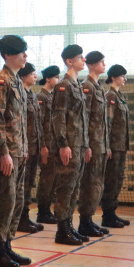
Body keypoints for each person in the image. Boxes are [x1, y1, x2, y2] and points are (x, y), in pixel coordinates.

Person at [0, 34, 31, 267]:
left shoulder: (17, 81)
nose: (25, 56)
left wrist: (23, 149)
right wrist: (4, 152)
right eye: (20, 52)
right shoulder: (1, 81)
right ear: (7, 55)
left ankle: (7, 245)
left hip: (19, 151)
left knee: (16, 201)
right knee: (5, 202)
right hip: (7, 153)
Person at [51, 45, 90, 245]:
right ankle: (62, 230)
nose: (84, 60)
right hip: (69, 146)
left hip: (79, 145)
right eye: (80, 58)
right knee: (65, 189)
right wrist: (63, 144)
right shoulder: (63, 85)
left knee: (74, 188)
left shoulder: (77, 85)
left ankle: (69, 227)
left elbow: (81, 119)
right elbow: (58, 117)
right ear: (69, 61)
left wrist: (86, 145)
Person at [77, 51, 111, 237]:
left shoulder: (98, 87)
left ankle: (89, 220)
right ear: (91, 65)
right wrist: (87, 144)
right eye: (101, 62)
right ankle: (84, 222)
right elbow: (85, 118)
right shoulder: (86, 87)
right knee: (89, 184)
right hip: (92, 145)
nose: (104, 64)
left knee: (97, 184)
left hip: (101, 144)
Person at [101, 64, 131, 228]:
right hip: (113, 146)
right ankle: (108, 215)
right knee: (111, 180)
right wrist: (108, 146)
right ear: (114, 77)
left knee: (118, 180)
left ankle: (112, 212)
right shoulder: (110, 96)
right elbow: (107, 123)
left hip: (121, 145)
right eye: (122, 76)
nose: (124, 79)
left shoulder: (119, 96)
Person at [17, 63, 44, 233]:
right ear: (24, 75)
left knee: (29, 184)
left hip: (34, 147)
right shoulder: (20, 94)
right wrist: (23, 147)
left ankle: (25, 217)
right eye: (32, 73)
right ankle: (19, 219)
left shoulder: (32, 95)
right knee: (22, 185)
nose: (35, 76)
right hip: (24, 148)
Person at [34, 65, 61, 225]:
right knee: (46, 180)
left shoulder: (52, 97)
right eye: (56, 77)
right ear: (49, 78)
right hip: (47, 146)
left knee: (53, 180)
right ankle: (42, 211)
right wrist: (43, 146)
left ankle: (47, 210)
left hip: (55, 146)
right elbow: (39, 124)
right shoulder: (41, 97)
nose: (58, 81)